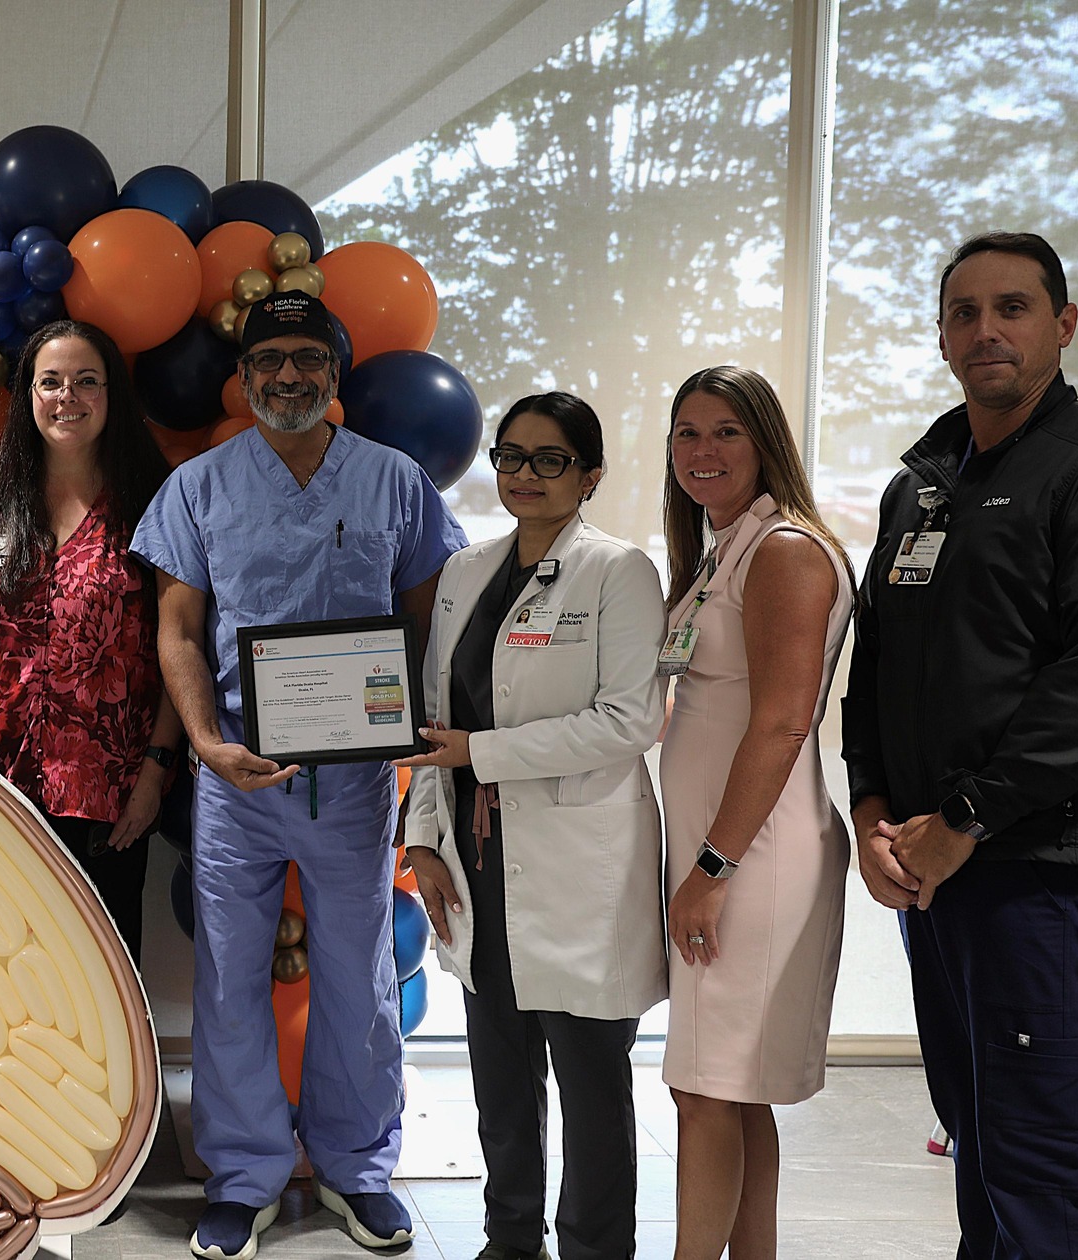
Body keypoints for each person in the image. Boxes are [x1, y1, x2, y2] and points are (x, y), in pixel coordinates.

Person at [132, 291, 468, 1259]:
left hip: (355, 783)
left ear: (334, 374)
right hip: (236, 777)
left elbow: (421, 625)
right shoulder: (196, 487)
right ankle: (241, 1179)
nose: (286, 375)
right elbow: (178, 631)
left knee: (358, 981)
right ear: (241, 380)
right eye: (268, 359)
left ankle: (358, 1171)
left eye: (306, 359)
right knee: (229, 980)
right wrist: (203, 741)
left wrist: (403, 721)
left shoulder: (394, 484)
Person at [844, 231, 1078, 1257]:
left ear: (1062, 324)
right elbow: (872, 670)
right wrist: (870, 813)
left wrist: (963, 817)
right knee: (976, 1142)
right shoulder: (918, 484)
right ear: (941, 337)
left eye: (1010, 307)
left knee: (1037, 1156)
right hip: (929, 870)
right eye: (963, 311)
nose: (985, 329)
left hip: (1033, 865)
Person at [398, 392, 667, 1260]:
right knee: (501, 1079)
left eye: (549, 460)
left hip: (578, 863)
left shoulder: (617, 572)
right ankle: (509, 1238)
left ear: (589, 475)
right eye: (511, 456)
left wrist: (485, 750)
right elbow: (436, 720)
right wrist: (422, 842)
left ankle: (594, 1248)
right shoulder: (468, 571)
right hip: (476, 858)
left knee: (591, 1089)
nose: (524, 475)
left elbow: (628, 720)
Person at [0, 320, 181, 962]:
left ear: (112, 395)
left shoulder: (155, 499)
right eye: (50, 382)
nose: (68, 397)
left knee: (99, 979)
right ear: (26, 394)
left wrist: (156, 772)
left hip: (105, 790)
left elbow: (181, 644)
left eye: (87, 381)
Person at [656, 366, 853, 1260]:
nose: (703, 451)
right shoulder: (721, 550)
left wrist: (711, 870)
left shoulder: (784, 550)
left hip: (751, 860)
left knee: (705, 1095)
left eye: (727, 431)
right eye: (688, 432)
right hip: (723, 853)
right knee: (726, 1091)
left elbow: (781, 723)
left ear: (765, 440)